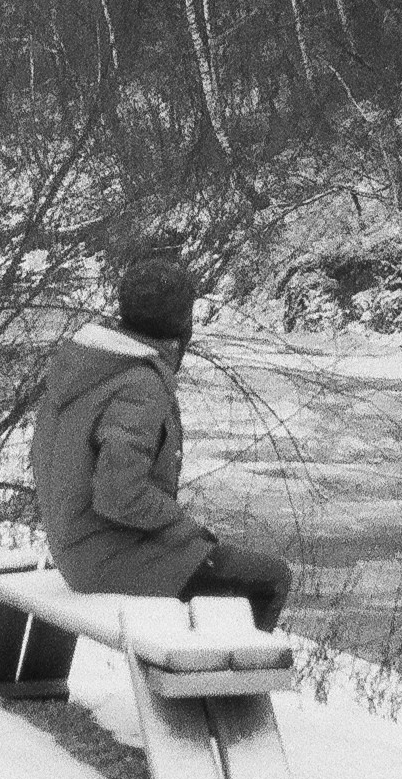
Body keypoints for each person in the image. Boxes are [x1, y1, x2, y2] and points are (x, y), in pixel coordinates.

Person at [30, 251, 293, 634]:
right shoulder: (140, 384)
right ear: (182, 324)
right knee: (269, 579)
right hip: (108, 557)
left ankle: (207, 687)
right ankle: (216, 689)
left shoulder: (90, 363)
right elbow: (118, 494)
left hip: (78, 543)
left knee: (231, 568)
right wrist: (186, 529)